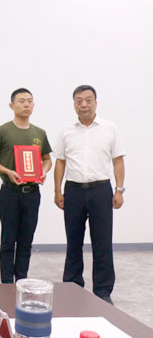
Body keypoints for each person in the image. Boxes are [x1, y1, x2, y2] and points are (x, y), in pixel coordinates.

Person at [53, 85, 125, 305]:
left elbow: (118, 161)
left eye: (88, 100)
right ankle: (72, 286)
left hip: (101, 190)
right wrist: (57, 190)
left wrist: (119, 190)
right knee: (73, 241)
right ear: (74, 104)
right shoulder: (67, 131)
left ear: (95, 102)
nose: (83, 104)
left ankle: (103, 291)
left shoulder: (110, 128)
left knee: (102, 242)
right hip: (73, 190)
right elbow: (60, 162)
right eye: (79, 101)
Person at [0, 88, 52, 284]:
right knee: (8, 240)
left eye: (29, 101)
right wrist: (7, 171)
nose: (26, 104)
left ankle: (21, 281)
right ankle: (6, 283)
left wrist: (43, 172)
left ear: (33, 104)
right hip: (10, 192)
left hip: (32, 193)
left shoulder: (39, 133)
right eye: (21, 101)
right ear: (12, 106)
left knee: (26, 240)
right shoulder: (2, 131)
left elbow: (47, 159)